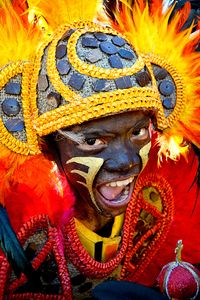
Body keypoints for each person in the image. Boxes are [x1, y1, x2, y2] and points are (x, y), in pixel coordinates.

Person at [0, 0, 199, 299]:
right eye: (93, 141)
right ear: (48, 146)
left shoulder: (165, 190)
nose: (127, 161)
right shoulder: (19, 225)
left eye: (137, 133)